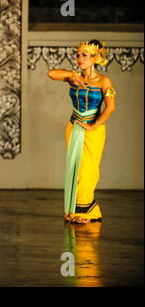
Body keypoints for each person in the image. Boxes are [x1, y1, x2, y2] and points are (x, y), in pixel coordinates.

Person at [47, 40, 116, 224]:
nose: (79, 58)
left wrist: (94, 125)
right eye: (77, 55)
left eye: (84, 55)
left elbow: (110, 108)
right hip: (74, 126)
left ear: (94, 58)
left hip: (93, 130)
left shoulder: (104, 81)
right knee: (75, 169)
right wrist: (72, 74)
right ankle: (75, 209)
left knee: (88, 169)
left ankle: (86, 209)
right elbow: (51, 73)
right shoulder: (74, 77)